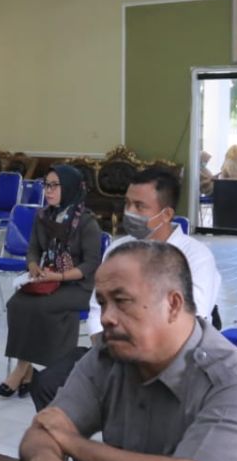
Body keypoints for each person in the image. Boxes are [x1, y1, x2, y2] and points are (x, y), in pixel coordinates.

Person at [19, 241, 237, 461]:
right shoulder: (110, 355)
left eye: (122, 301)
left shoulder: (235, 382)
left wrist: (71, 443)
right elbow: (43, 429)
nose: (106, 318)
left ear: (173, 305)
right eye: (102, 303)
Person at [30, 167, 221, 409]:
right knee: (48, 384)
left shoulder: (195, 257)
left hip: (170, 361)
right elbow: (96, 309)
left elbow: (188, 322)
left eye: (140, 207)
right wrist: (105, 347)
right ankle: (70, 444)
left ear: (166, 214)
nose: (130, 213)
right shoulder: (118, 249)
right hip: (114, 350)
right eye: (128, 204)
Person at [0, 164, 101, 398]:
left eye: (55, 186)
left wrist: (61, 276)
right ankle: (27, 369)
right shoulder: (43, 216)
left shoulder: (86, 222)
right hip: (49, 279)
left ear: (71, 188)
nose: (48, 191)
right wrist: (33, 266)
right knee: (17, 304)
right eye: (46, 185)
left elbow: (91, 264)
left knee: (42, 307)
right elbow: (33, 249)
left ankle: (27, 369)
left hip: (79, 285)